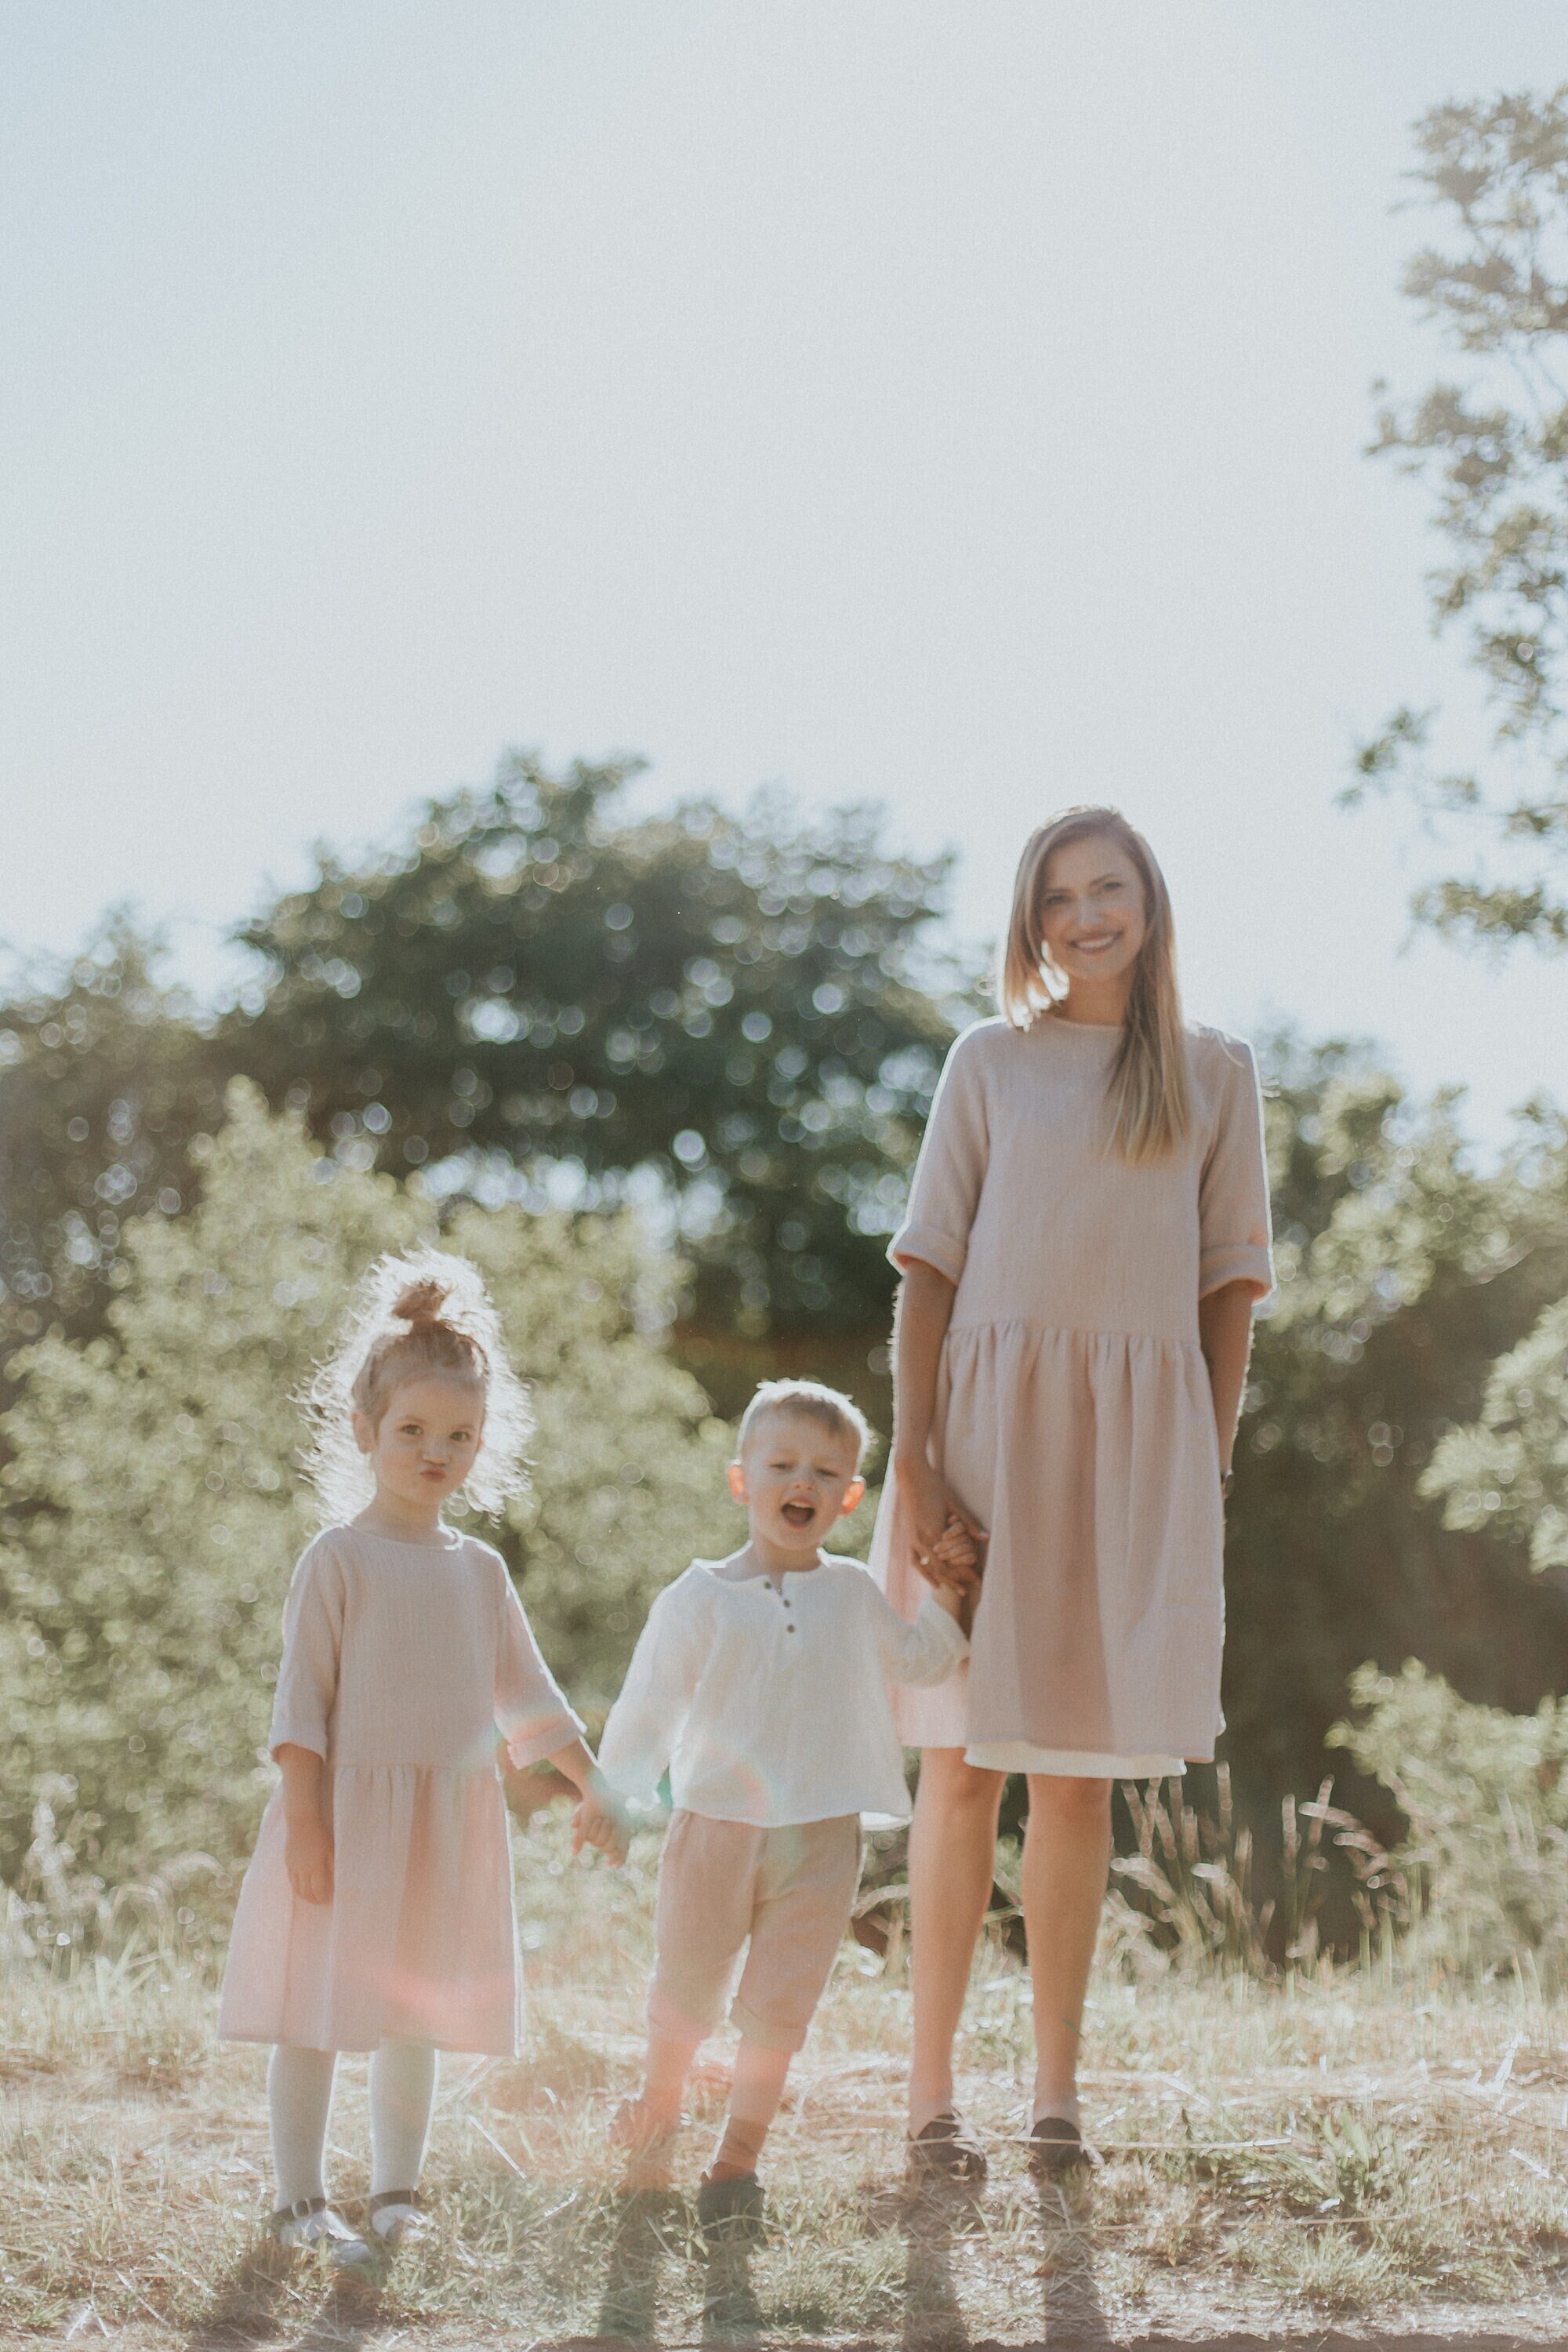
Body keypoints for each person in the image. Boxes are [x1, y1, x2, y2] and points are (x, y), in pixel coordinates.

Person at [870, 806, 1274, 2183]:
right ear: (1032, 923)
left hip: (1137, 1453)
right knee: (966, 1766)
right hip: (983, 1434)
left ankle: (1056, 2098)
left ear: (1149, 903)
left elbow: (1232, 1291)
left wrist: (1200, 1466)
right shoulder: (989, 1061)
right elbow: (926, 1271)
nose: (1085, 916)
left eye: (1108, 890)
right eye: (1058, 897)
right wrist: (918, 1462)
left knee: (1085, 1782)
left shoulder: (1219, 1077)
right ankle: (930, 2101)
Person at [218, 1251, 627, 2268]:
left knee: (413, 2013)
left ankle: (397, 2190)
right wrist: (305, 1825)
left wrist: (592, 1782)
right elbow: (299, 1708)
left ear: (483, 1444)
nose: (435, 1452)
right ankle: (299, 2202)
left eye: (460, 1436)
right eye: (413, 1432)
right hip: (341, 1825)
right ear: (365, 1432)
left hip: (443, 1826)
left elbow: (528, 1698)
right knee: (313, 2012)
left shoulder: (479, 1571)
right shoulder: (337, 1560)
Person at [580, 1378, 970, 2236]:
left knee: (781, 2002)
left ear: (849, 1497)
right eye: (782, 1464)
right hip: (713, 1826)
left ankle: (738, 2159)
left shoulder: (853, 1596)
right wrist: (615, 1796)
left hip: (822, 1836)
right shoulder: (698, 1597)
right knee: (686, 1982)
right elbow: (648, 1707)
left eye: (826, 1471)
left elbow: (918, 1664)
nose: (803, 1482)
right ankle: (658, 2107)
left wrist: (946, 1594)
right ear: (740, 1480)